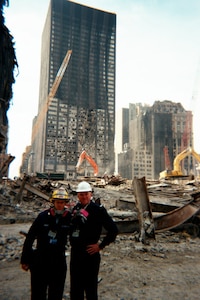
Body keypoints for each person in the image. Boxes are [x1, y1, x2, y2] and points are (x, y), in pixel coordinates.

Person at [70, 181, 118, 300]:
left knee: (91, 289)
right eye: (81, 194)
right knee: (76, 289)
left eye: (86, 194)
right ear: (78, 195)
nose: (84, 196)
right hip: (76, 254)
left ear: (91, 194)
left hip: (90, 255)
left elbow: (113, 230)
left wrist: (100, 246)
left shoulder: (98, 210)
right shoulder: (76, 209)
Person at [20, 187, 71, 300]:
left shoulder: (69, 218)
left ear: (66, 203)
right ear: (53, 202)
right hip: (40, 262)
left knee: (56, 294)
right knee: (38, 294)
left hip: (58, 263)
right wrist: (25, 259)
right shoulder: (42, 217)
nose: (59, 205)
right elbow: (30, 238)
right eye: (57, 202)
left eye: (62, 202)